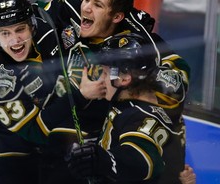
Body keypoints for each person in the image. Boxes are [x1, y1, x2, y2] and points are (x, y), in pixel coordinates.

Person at [37, 0, 192, 183]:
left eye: (98, 4)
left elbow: (141, 158)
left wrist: (141, 80)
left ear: (117, 16)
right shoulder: (75, 6)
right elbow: (34, 14)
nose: (87, 7)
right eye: (87, 0)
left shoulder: (143, 46)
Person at [67, 33, 185, 183]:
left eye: (104, 73)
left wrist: (105, 160)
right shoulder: (122, 101)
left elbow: (142, 158)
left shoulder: (142, 115)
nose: (101, 79)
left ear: (124, 79)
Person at [0, 0, 61, 184]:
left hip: (56, 160)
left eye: (20, 29)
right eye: (5, 33)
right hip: (16, 165)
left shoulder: (47, 33)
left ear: (32, 26)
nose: (15, 40)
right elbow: (36, 131)